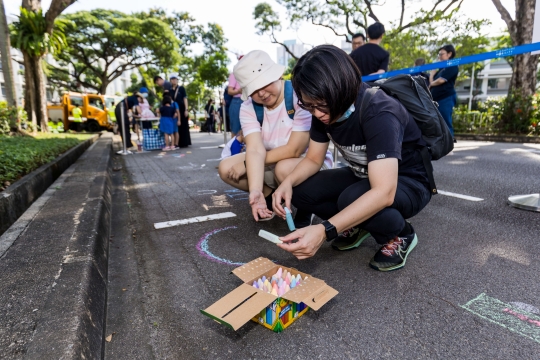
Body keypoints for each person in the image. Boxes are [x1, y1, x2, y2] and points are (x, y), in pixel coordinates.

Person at [272, 45, 432, 272]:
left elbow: (384, 191)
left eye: (320, 105)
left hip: (409, 182)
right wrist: (286, 183)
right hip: (363, 175)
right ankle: (358, 224)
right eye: (309, 105)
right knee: (301, 192)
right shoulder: (322, 109)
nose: (316, 113)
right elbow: (313, 159)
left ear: (341, 89)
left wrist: (325, 230)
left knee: (350, 199)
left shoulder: (379, 111)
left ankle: (401, 234)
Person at [218, 50, 333, 223]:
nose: (262, 93)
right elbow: (255, 149)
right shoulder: (248, 107)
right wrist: (255, 190)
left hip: (308, 161)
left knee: (282, 168)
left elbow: (295, 149)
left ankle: (306, 205)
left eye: (264, 84)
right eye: (254, 90)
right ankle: (269, 197)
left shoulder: (299, 95)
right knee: (226, 168)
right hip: (272, 162)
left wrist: (246, 164)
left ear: (278, 74)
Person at [429, 45, 458, 141]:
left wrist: (432, 83)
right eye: (439, 54)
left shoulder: (452, 65)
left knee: (445, 119)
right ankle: (440, 140)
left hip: (446, 97)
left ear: (449, 54)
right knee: (436, 121)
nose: (439, 56)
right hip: (436, 98)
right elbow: (431, 83)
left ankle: (449, 140)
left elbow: (441, 81)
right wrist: (432, 74)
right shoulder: (441, 69)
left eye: (442, 54)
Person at [170, 75, 191, 147]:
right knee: (176, 126)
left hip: (182, 108)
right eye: (172, 79)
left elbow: (185, 98)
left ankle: (184, 142)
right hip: (174, 109)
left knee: (183, 125)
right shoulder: (170, 90)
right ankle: (176, 142)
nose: (174, 80)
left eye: (175, 79)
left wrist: (186, 109)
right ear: (170, 80)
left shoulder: (181, 88)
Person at [228, 55, 244, 136]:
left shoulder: (250, 73)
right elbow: (229, 91)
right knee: (236, 130)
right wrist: (238, 90)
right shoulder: (234, 74)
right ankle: (234, 148)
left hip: (249, 101)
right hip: (237, 101)